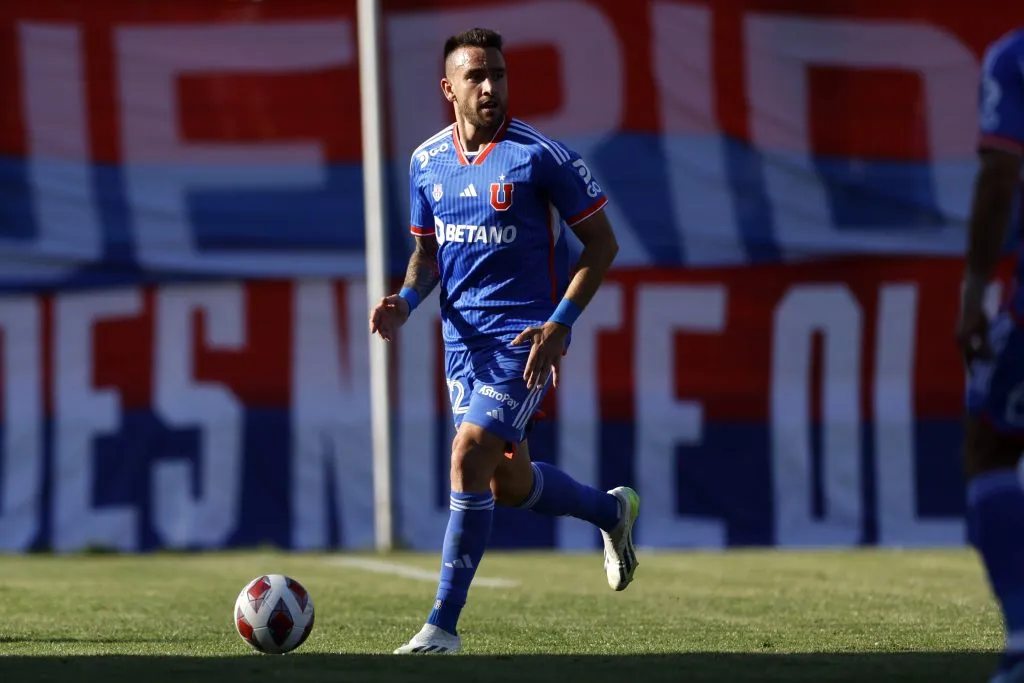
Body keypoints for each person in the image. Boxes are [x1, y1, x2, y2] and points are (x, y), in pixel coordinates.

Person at [369, 27, 640, 655]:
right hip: (461, 347)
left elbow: (601, 245)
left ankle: (442, 625)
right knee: (505, 485)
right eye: (475, 77)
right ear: (449, 89)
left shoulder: (538, 155)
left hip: (525, 340)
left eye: (498, 74)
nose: (490, 87)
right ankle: (610, 512)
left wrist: (560, 323)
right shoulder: (425, 162)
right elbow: (426, 256)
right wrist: (405, 302)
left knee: (468, 454)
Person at [958, 27, 1024, 683]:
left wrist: (974, 289)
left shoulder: (1014, 56)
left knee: (988, 444)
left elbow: (1000, 172)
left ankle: (1023, 638)